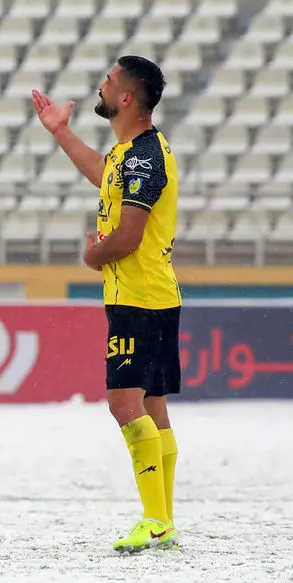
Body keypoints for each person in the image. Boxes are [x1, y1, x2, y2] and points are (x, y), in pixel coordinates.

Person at [32, 55, 181, 553]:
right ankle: (163, 521)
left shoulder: (143, 158)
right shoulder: (131, 153)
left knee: (124, 405)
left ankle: (155, 520)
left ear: (126, 97)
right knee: (153, 408)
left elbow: (129, 236)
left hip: (139, 298)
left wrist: (93, 256)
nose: (101, 85)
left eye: (109, 80)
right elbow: (101, 173)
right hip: (152, 295)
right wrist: (60, 131)